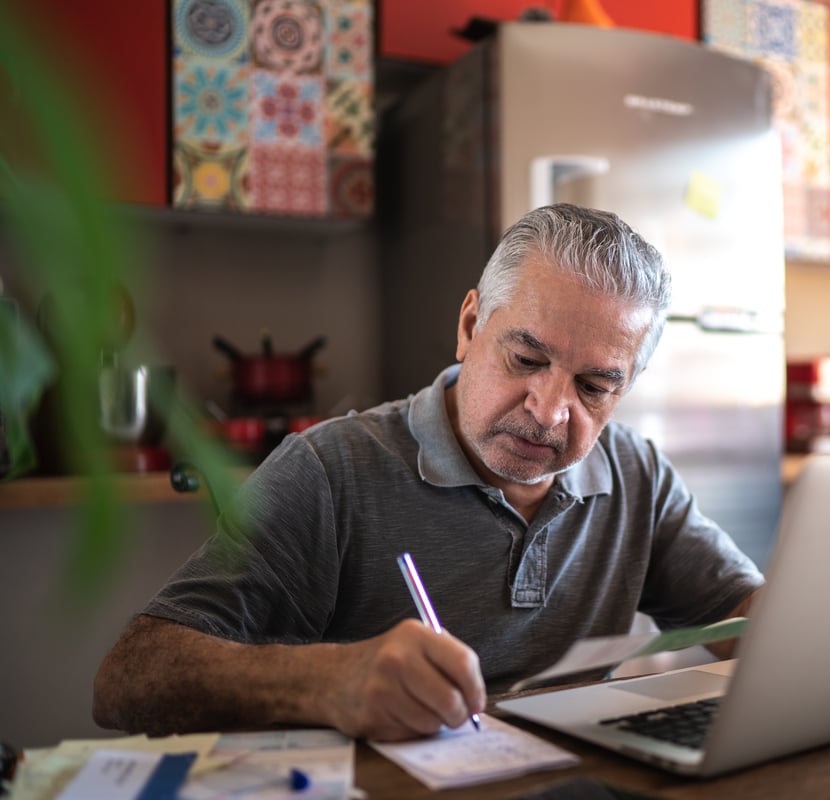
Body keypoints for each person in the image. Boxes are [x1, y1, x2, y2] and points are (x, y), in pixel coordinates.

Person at [92, 203, 764, 742]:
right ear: (471, 324)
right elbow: (128, 680)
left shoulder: (636, 474)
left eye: (594, 385)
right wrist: (326, 680)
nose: (551, 412)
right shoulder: (331, 471)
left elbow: (749, 622)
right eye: (527, 360)